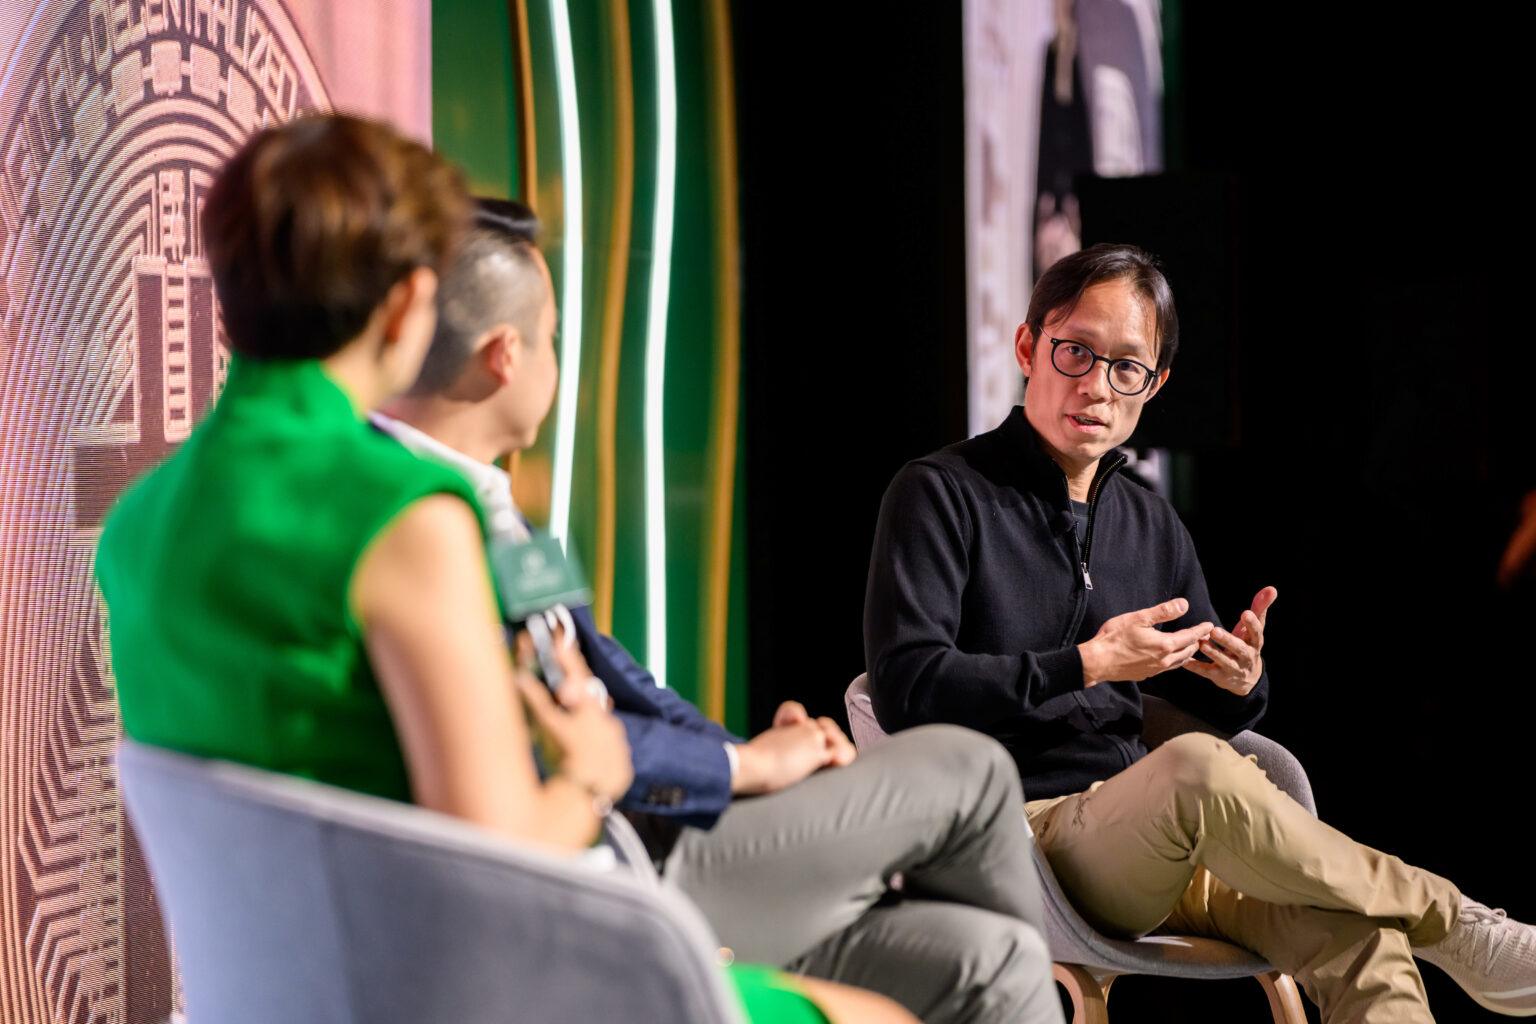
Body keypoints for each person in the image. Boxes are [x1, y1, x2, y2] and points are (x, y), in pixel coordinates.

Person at [96, 113, 908, 1024]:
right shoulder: (404, 515)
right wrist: (593, 772)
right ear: (408, 306)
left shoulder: (138, 520)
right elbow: (500, 849)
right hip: (458, 984)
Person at [374, 198, 1065, 1024]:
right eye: (554, 337)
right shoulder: (417, 531)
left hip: (666, 837)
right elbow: (534, 738)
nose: (559, 361)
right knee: (972, 769)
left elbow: (618, 683)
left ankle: (849, 884)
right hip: (618, 876)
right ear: (503, 357)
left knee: (998, 960)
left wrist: (760, 762)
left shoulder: (493, 510)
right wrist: (745, 771)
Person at [863, 242, 1536, 1023]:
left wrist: (1242, 682)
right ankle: (1455, 923)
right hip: (1021, 837)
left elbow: (1203, 697)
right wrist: (1083, 665)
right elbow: (906, 689)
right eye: (1074, 352)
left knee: (1363, 935)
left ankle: (1423, 925)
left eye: (1126, 368)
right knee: (1194, 768)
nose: (1096, 386)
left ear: (1156, 385)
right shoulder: (941, 493)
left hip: (1157, 832)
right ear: (1027, 346)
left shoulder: (1147, 519)